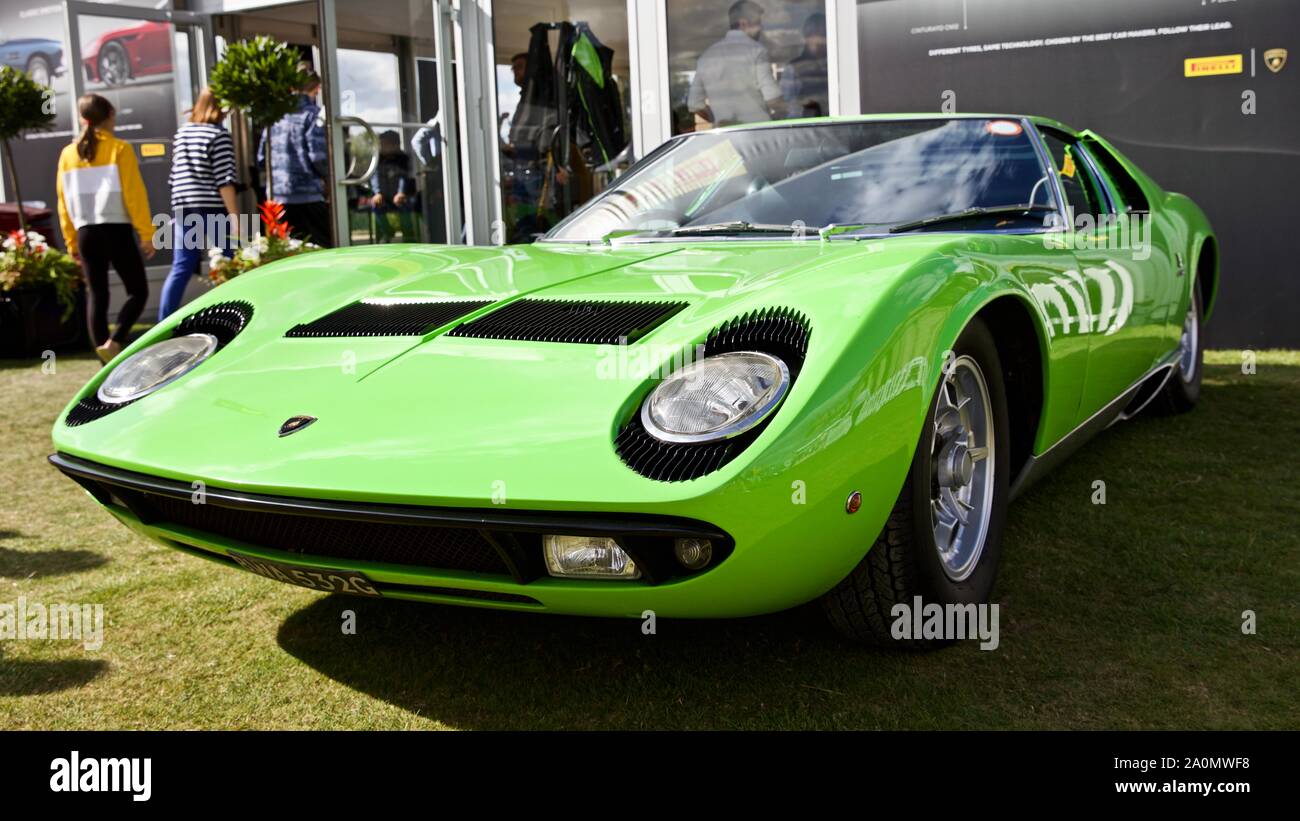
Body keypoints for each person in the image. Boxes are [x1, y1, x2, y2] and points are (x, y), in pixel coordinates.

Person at [56, 94, 155, 363]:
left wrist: (71, 242)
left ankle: (105, 361)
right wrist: (146, 234)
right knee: (139, 291)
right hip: (116, 230)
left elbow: (63, 202)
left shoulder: (67, 155)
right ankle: (115, 341)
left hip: (86, 233)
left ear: (82, 118)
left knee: (97, 295)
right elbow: (134, 195)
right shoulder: (119, 149)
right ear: (110, 115)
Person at [159, 88, 238, 321]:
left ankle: (164, 320)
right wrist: (234, 216)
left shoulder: (182, 133)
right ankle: (227, 316)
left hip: (184, 206)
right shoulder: (218, 135)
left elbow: (175, 176)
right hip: (211, 206)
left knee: (181, 266)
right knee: (226, 263)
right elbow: (224, 179)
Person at [257, 63, 331, 247]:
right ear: (316, 88)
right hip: (308, 195)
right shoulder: (313, 115)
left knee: (285, 253)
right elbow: (318, 157)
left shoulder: (274, 117)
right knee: (320, 250)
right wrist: (328, 179)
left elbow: (261, 158)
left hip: (278, 198)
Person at [687, 1, 785, 128]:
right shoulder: (757, 51)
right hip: (757, 134)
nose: (761, 29)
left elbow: (694, 104)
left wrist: (716, 118)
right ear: (744, 23)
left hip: (725, 137)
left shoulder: (706, 57)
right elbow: (773, 99)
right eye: (758, 23)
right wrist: (791, 112)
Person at [368, 130, 416, 243]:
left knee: (405, 206)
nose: (382, 147)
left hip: (401, 196)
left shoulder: (403, 159)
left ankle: (408, 234)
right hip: (384, 197)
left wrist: (401, 192)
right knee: (375, 205)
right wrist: (377, 192)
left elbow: (404, 177)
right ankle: (387, 231)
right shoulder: (377, 160)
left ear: (395, 145)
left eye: (385, 144)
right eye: (381, 144)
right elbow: (375, 177)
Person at [781, 12, 830, 119]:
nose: (819, 40)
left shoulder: (836, 65)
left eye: (823, 35)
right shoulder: (793, 68)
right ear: (806, 37)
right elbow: (790, 106)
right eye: (814, 35)